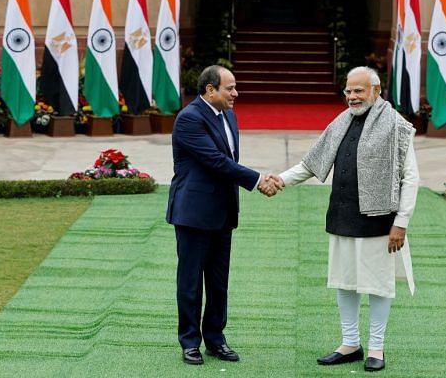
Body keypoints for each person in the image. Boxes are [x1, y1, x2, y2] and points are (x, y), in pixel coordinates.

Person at [265, 66, 419, 372]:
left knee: (378, 285)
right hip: (342, 216)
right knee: (345, 283)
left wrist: (401, 222)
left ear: (376, 91)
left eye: (358, 91)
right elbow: (312, 163)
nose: (351, 97)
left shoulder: (397, 126)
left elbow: (410, 178)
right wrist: (280, 180)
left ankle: (376, 348)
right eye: (348, 91)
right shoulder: (342, 122)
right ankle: (350, 343)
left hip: (379, 220)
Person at [166, 65, 281, 365]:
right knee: (190, 282)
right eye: (230, 88)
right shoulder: (188, 119)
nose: (236, 93)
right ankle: (190, 341)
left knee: (218, 282)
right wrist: (257, 180)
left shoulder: (229, 115)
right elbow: (215, 161)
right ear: (210, 90)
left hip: (222, 214)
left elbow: (227, 161)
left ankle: (215, 339)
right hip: (193, 214)